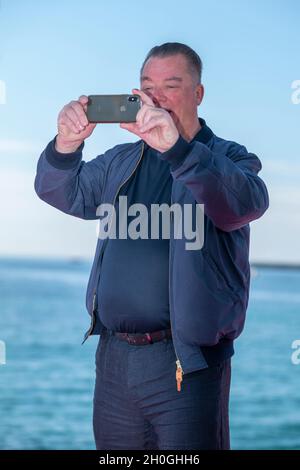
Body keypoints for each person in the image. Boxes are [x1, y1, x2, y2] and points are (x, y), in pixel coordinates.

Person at [34, 42, 269, 450]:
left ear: (198, 93)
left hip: (187, 363)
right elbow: (61, 191)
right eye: (147, 87)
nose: (156, 98)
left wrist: (177, 150)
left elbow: (241, 204)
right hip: (114, 361)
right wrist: (66, 145)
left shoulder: (228, 158)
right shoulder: (120, 161)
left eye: (171, 86)